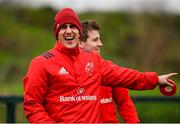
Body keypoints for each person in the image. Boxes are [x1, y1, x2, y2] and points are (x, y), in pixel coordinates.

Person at [23, 7, 177, 123]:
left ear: (78, 32)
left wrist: (155, 79)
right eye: (63, 27)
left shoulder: (93, 60)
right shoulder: (41, 63)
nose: (68, 31)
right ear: (56, 33)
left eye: (73, 27)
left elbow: (123, 76)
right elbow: (32, 105)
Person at [79, 20, 139, 123]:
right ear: (80, 43)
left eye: (100, 39)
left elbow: (124, 102)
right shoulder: (66, 71)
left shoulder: (109, 68)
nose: (100, 44)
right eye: (95, 40)